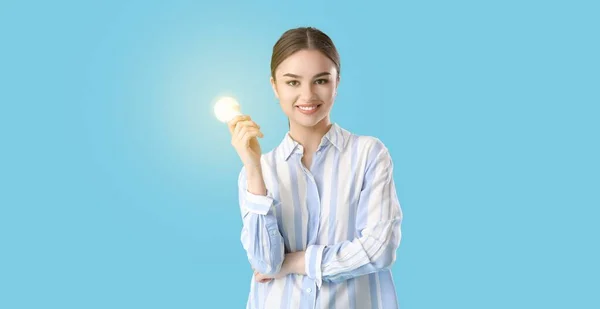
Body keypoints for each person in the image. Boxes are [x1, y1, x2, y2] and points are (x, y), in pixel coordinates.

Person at [227, 26, 403, 309]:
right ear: (274, 86)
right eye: (293, 82)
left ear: (337, 82)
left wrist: (296, 262)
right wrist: (253, 167)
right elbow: (264, 263)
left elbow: (379, 249)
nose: (307, 95)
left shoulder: (368, 154)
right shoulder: (259, 172)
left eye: (320, 80)